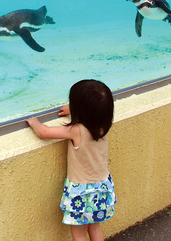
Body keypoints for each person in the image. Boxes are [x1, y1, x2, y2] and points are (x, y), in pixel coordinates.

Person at [26, 79, 117, 241]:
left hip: (81, 193)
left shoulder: (76, 130)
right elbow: (92, 112)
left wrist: (35, 123)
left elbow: (45, 132)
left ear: (80, 110)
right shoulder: (103, 126)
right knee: (95, 229)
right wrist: (74, 110)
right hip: (101, 188)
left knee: (79, 234)